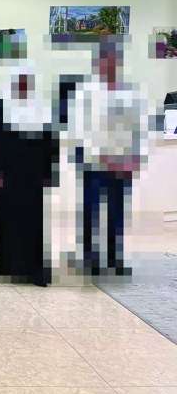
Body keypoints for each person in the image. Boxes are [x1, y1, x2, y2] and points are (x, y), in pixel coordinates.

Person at [69, 41, 147, 275]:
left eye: (113, 60)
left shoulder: (131, 93)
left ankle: (114, 258)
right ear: (98, 62)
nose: (109, 64)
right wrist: (103, 157)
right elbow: (79, 130)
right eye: (105, 60)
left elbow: (138, 128)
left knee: (116, 214)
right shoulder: (85, 93)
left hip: (122, 165)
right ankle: (89, 259)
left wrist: (135, 158)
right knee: (91, 212)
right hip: (94, 163)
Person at [0, 69, 59, 286]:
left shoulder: (41, 109)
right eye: (20, 81)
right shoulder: (0, 108)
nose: (23, 86)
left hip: (33, 175)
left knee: (32, 220)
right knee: (7, 218)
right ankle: (7, 265)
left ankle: (32, 268)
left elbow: (50, 144)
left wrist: (49, 173)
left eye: (27, 81)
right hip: (8, 173)